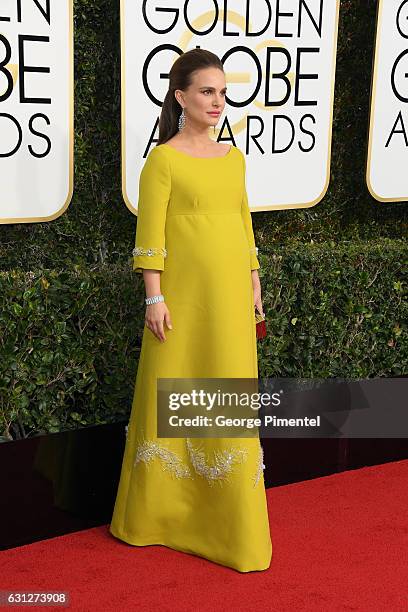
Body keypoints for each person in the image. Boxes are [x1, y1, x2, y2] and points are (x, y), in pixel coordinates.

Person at [109, 48, 272, 573]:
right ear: (180, 96)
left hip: (229, 297)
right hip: (180, 300)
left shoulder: (235, 156)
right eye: (207, 91)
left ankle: (227, 526)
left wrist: (253, 279)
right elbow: (150, 232)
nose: (217, 101)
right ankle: (160, 517)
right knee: (173, 384)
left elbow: (243, 221)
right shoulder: (164, 159)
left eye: (222, 92)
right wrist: (153, 296)